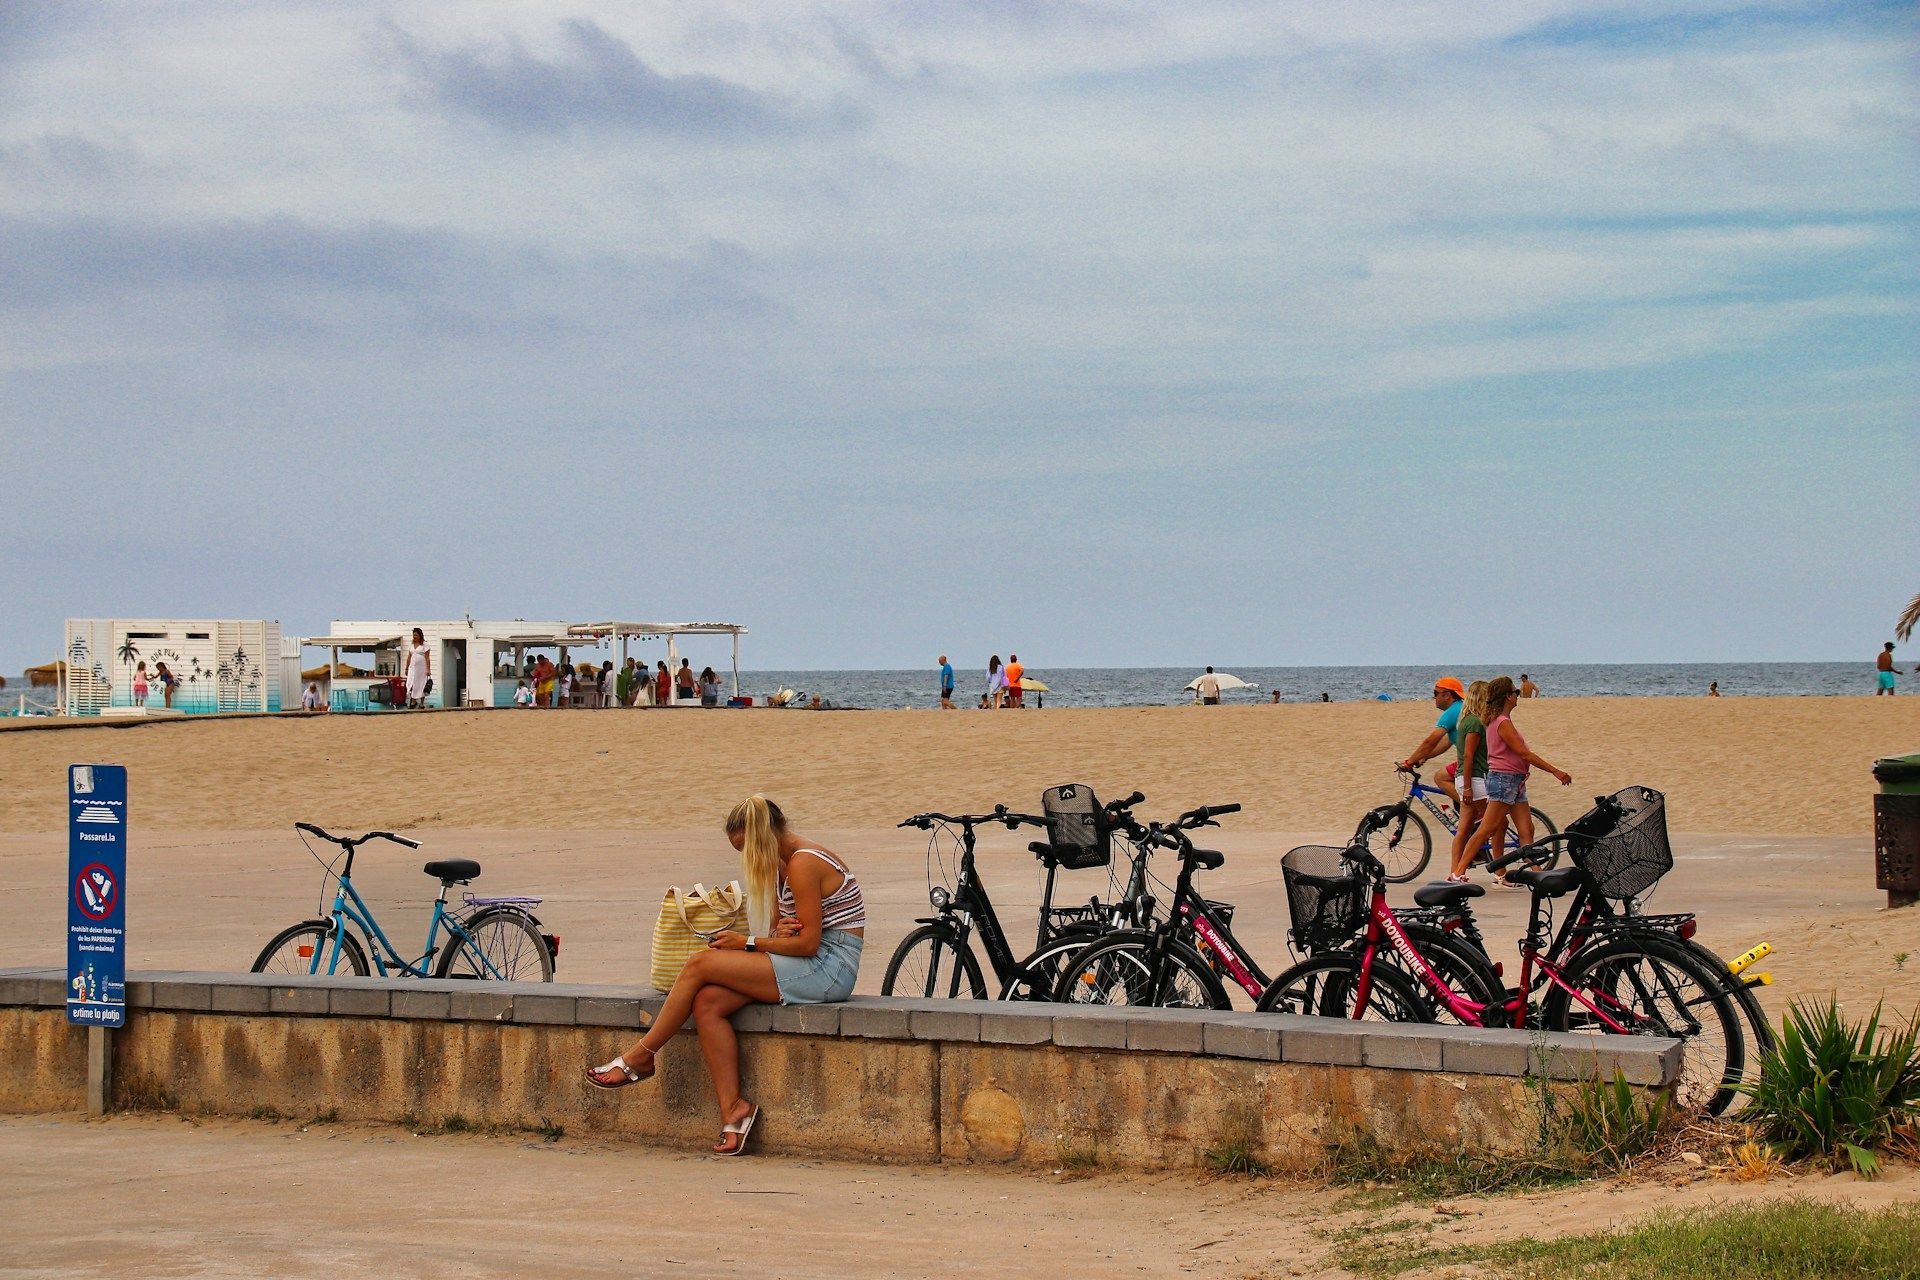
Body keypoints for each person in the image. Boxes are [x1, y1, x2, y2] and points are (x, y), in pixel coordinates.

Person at [585, 796, 865, 1155]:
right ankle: (734, 1110)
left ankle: (642, 1055)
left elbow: (810, 944)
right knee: (708, 1001)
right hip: (807, 963)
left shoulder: (802, 864)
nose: (744, 857)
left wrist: (746, 943)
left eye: (745, 847)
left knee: (700, 964)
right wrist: (770, 939)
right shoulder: (783, 864)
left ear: (764, 836)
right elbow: (781, 934)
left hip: (829, 969)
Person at [1464, 675, 1571, 886]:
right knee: (1487, 828)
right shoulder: (1502, 723)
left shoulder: (1502, 721)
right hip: (1504, 781)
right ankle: (1457, 872)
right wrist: (1556, 771)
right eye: (1515, 692)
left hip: (1516, 781)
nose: (1518, 694)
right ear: (1507, 696)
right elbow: (1525, 754)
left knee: (1526, 830)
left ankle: (1537, 874)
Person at [1445, 681, 1493, 880]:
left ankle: (1455, 873)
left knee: (1463, 828)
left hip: (1467, 779)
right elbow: (1468, 755)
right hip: (1474, 779)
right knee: (1496, 823)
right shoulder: (1474, 722)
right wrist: (1467, 788)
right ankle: (1470, 861)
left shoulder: (1465, 721)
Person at [1397, 677, 1467, 807]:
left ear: (1447, 695)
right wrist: (1424, 756)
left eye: (1436, 693)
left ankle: (1472, 807)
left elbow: (1430, 741)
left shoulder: (1452, 712)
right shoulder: (1460, 707)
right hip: (1479, 758)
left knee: (1440, 777)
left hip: (1473, 760)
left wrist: (1409, 762)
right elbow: (1446, 741)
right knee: (1455, 785)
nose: (1433, 697)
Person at [404, 628, 430, 709]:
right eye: (413, 635)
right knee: (411, 683)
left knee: (421, 684)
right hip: (412, 668)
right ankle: (414, 701)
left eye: (416, 635)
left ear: (420, 635)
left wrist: (428, 669)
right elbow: (409, 657)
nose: (414, 637)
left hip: (421, 669)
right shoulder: (411, 645)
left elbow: (427, 658)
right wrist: (406, 668)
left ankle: (421, 703)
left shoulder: (424, 645)